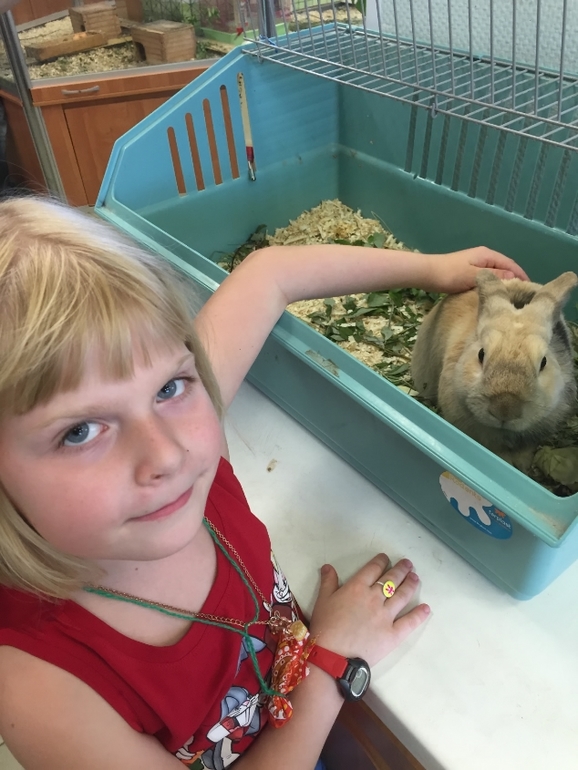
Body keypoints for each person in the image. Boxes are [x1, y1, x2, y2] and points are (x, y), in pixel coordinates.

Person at [0, 195, 528, 769]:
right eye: (79, 431)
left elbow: (270, 274)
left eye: (170, 387)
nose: (168, 455)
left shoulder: (188, 454)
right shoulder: (39, 687)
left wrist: (434, 269)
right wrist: (330, 662)